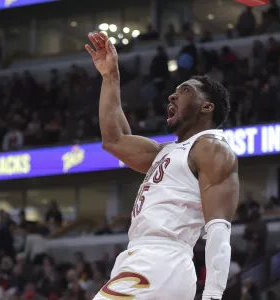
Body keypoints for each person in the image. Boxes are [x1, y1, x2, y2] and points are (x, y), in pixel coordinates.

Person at [85, 32, 239, 300]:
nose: (172, 96)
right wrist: (110, 76)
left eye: (185, 91)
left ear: (206, 107)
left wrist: (213, 295)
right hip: (143, 260)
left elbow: (218, 229)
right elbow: (114, 139)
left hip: (161, 262)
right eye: (174, 91)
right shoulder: (165, 152)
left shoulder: (212, 147)